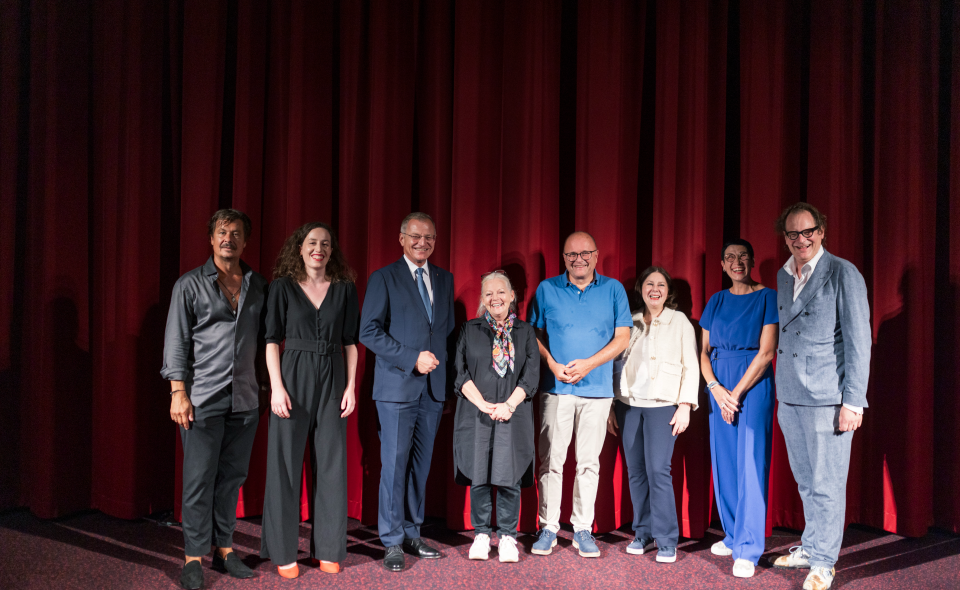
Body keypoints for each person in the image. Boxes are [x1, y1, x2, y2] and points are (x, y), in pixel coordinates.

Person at [161, 209, 268, 589]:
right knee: (198, 480)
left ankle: (224, 549)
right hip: (201, 398)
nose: (229, 238)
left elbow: (265, 343)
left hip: (246, 400)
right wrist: (178, 392)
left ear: (245, 241)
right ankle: (193, 557)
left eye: (236, 232)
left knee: (232, 479)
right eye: (222, 232)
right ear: (211, 239)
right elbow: (176, 343)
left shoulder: (259, 285)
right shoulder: (188, 285)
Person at [769, 203, 871, 590]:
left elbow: (859, 342)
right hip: (791, 395)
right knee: (806, 481)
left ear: (821, 231)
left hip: (828, 397)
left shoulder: (843, 273)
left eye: (807, 231)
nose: (801, 240)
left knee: (828, 483)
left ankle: (825, 562)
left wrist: (853, 401)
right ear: (785, 238)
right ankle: (811, 547)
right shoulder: (782, 274)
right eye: (793, 234)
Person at [259, 222, 359, 578]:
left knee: (331, 463)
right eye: (313, 242)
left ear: (332, 251)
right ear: (299, 248)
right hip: (293, 375)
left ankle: (329, 549)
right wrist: (277, 387)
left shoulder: (345, 289)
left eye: (326, 244)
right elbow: (271, 339)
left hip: (333, 377)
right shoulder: (282, 287)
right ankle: (285, 552)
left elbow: (350, 342)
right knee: (284, 464)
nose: (320, 248)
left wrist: (350, 387)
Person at [359, 212, 455, 572]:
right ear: (401, 238)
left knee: (420, 467)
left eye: (429, 237)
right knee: (394, 466)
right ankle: (392, 540)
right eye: (415, 236)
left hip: (432, 392)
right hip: (396, 388)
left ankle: (413, 533)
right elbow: (368, 331)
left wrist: (446, 386)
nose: (422, 243)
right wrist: (411, 358)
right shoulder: (384, 278)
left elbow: (444, 336)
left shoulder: (444, 279)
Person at [528, 231, 632, 558]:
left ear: (596, 255)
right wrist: (553, 364)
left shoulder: (613, 289)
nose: (579, 259)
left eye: (585, 253)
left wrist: (588, 365)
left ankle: (582, 528)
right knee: (551, 461)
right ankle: (548, 527)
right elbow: (531, 333)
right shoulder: (547, 289)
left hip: (598, 392)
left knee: (589, 463)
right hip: (555, 389)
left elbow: (623, 337)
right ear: (564, 258)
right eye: (572, 255)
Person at [607, 266, 699, 564]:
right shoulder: (630, 321)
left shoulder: (680, 321)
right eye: (649, 284)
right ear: (641, 289)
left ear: (668, 292)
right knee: (635, 471)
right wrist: (611, 405)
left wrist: (685, 404)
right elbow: (615, 364)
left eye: (661, 284)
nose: (655, 289)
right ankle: (643, 532)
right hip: (629, 404)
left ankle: (667, 539)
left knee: (658, 470)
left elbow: (691, 365)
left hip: (663, 406)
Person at [699, 239, 779, 578]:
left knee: (751, 462)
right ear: (722, 264)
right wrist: (717, 390)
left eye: (743, 256)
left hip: (753, 384)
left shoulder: (767, 296)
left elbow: (767, 352)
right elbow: (702, 351)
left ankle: (749, 547)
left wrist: (736, 392)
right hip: (719, 384)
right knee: (726, 462)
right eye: (730, 257)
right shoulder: (715, 301)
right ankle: (733, 535)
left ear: (753, 260)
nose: (737, 262)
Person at [453, 271, 540, 563]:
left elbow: (531, 377)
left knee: (508, 475)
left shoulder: (526, 332)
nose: (495, 298)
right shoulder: (469, 329)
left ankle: (506, 537)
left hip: (512, 414)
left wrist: (509, 405)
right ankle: (480, 534)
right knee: (479, 474)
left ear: (512, 295)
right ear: (482, 299)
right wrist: (482, 403)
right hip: (477, 413)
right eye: (488, 293)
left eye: (501, 292)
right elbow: (459, 373)